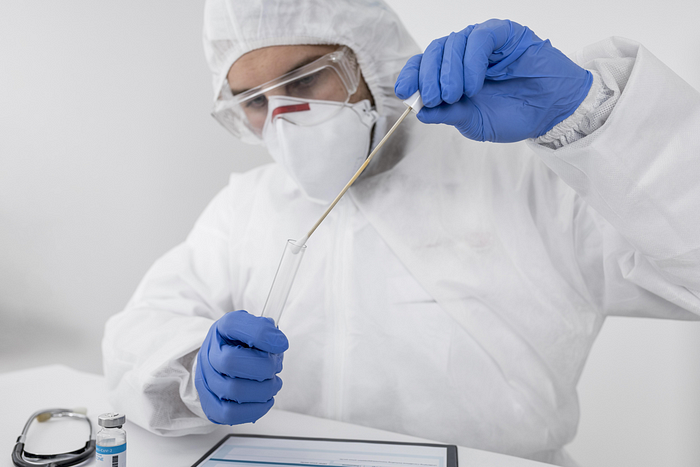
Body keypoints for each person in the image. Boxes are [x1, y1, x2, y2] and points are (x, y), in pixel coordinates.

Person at [102, 1, 700, 466]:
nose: (282, 120)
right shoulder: (246, 209)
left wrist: (590, 117)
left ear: (373, 59)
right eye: (253, 103)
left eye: (306, 80)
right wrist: (188, 368)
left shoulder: (527, 180)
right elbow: (140, 330)